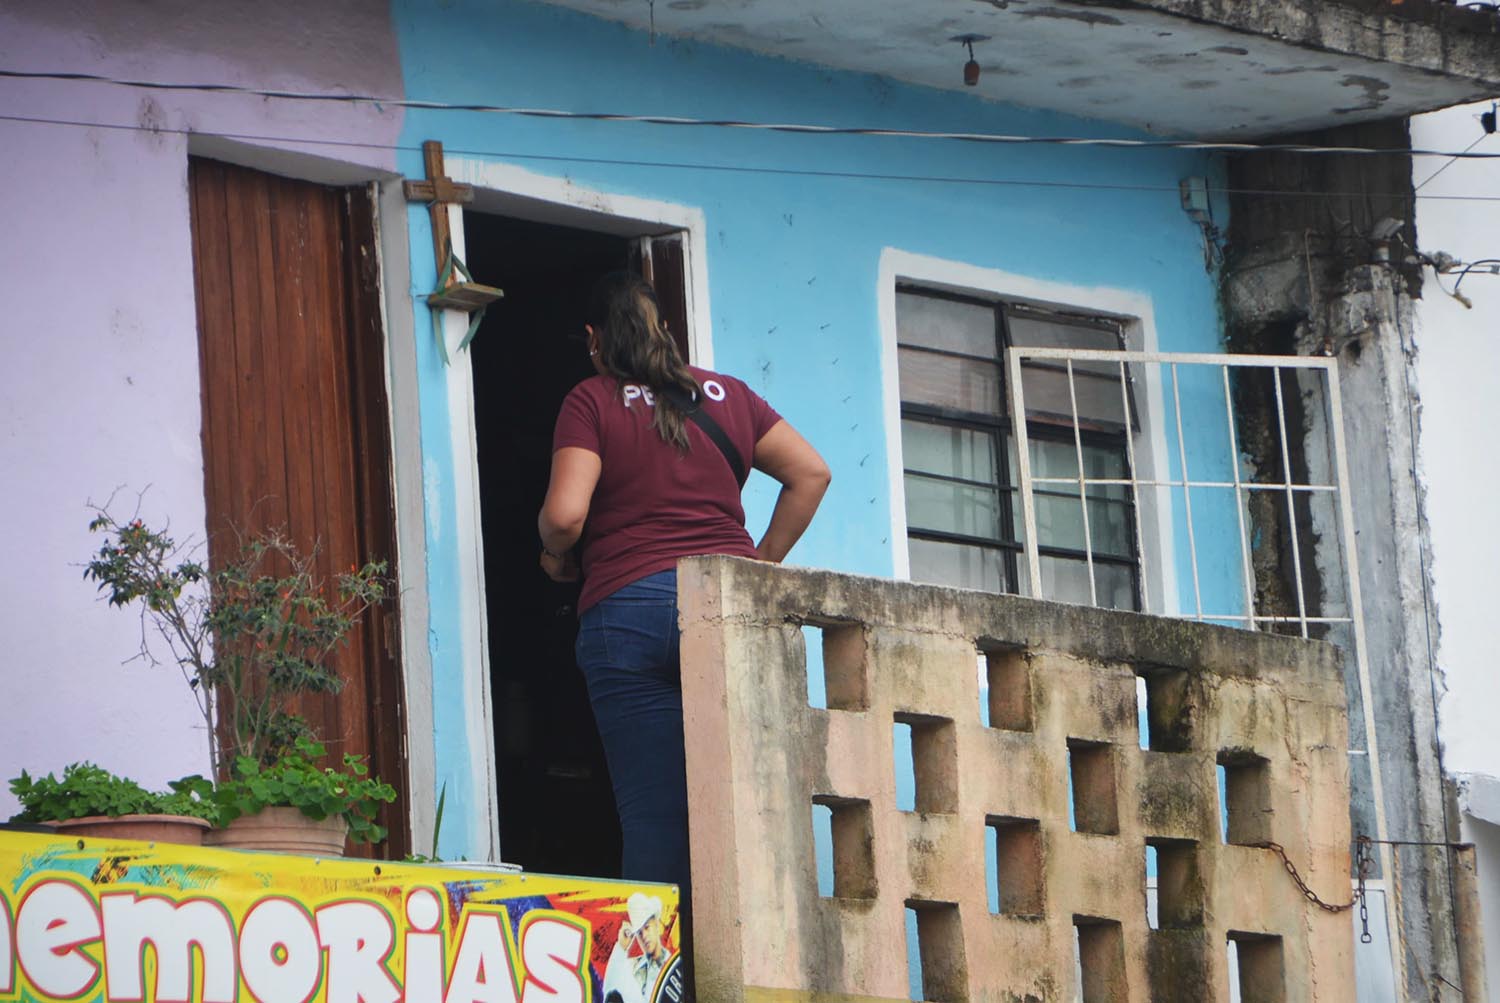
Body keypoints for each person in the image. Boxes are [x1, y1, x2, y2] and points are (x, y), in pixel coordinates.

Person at [538, 271, 830, 918]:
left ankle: (662, 983)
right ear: (665, 330)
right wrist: (756, 568)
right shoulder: (729, 395)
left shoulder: (590, 400)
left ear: (594, 339)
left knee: (655, 816)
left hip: (628, 613)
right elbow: (811, 472)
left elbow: (564, 516)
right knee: (747, 803)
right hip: (726, 610)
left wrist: (554, 557)